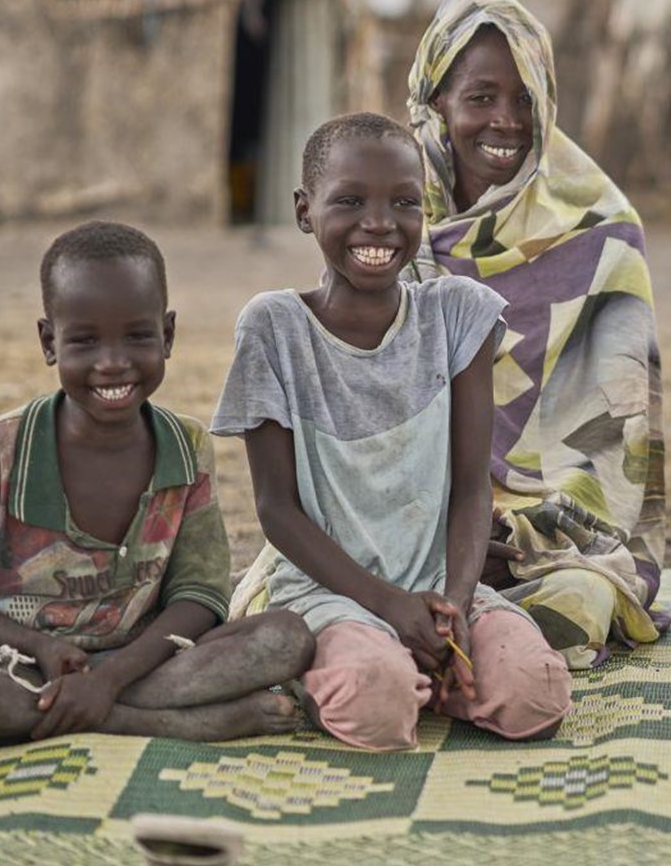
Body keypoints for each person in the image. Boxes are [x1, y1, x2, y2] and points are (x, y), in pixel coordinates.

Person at [0, 222, 314, 759]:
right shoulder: (2, 450)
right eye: (84, 341)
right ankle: (174, 724)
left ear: (168, 335)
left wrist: (107, 681)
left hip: (141, 663)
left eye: (137, 336)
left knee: (286, 637)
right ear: (49, 341)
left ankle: (26, 724)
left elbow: (200, 597)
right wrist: (41, 645)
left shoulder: (186, 446)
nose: (113, 361)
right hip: (18, 665)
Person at [214, 113, 572, 751]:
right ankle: (370, 672)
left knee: (536, 694)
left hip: (439, 588)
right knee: (377, 709)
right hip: (330, 591)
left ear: (424, 210)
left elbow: (470, 488)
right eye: (349, 201)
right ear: (304, 211)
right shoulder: (275, 329)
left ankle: (424, 667)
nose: (378, 223)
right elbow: (276, 511)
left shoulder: (455, 314)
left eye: (403, 203)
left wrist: (453, 609)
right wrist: (387, 607)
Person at [407, 0, 667, 671]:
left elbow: (613, 435)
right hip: (408, 508)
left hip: (550, 529)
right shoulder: (388, 210)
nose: (506, 120)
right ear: (436, 99)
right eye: (481, 97)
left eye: (525, 98)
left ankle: (464, 640)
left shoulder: (601, 230)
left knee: (578, 605)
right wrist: (446, 517)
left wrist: (520, 520)